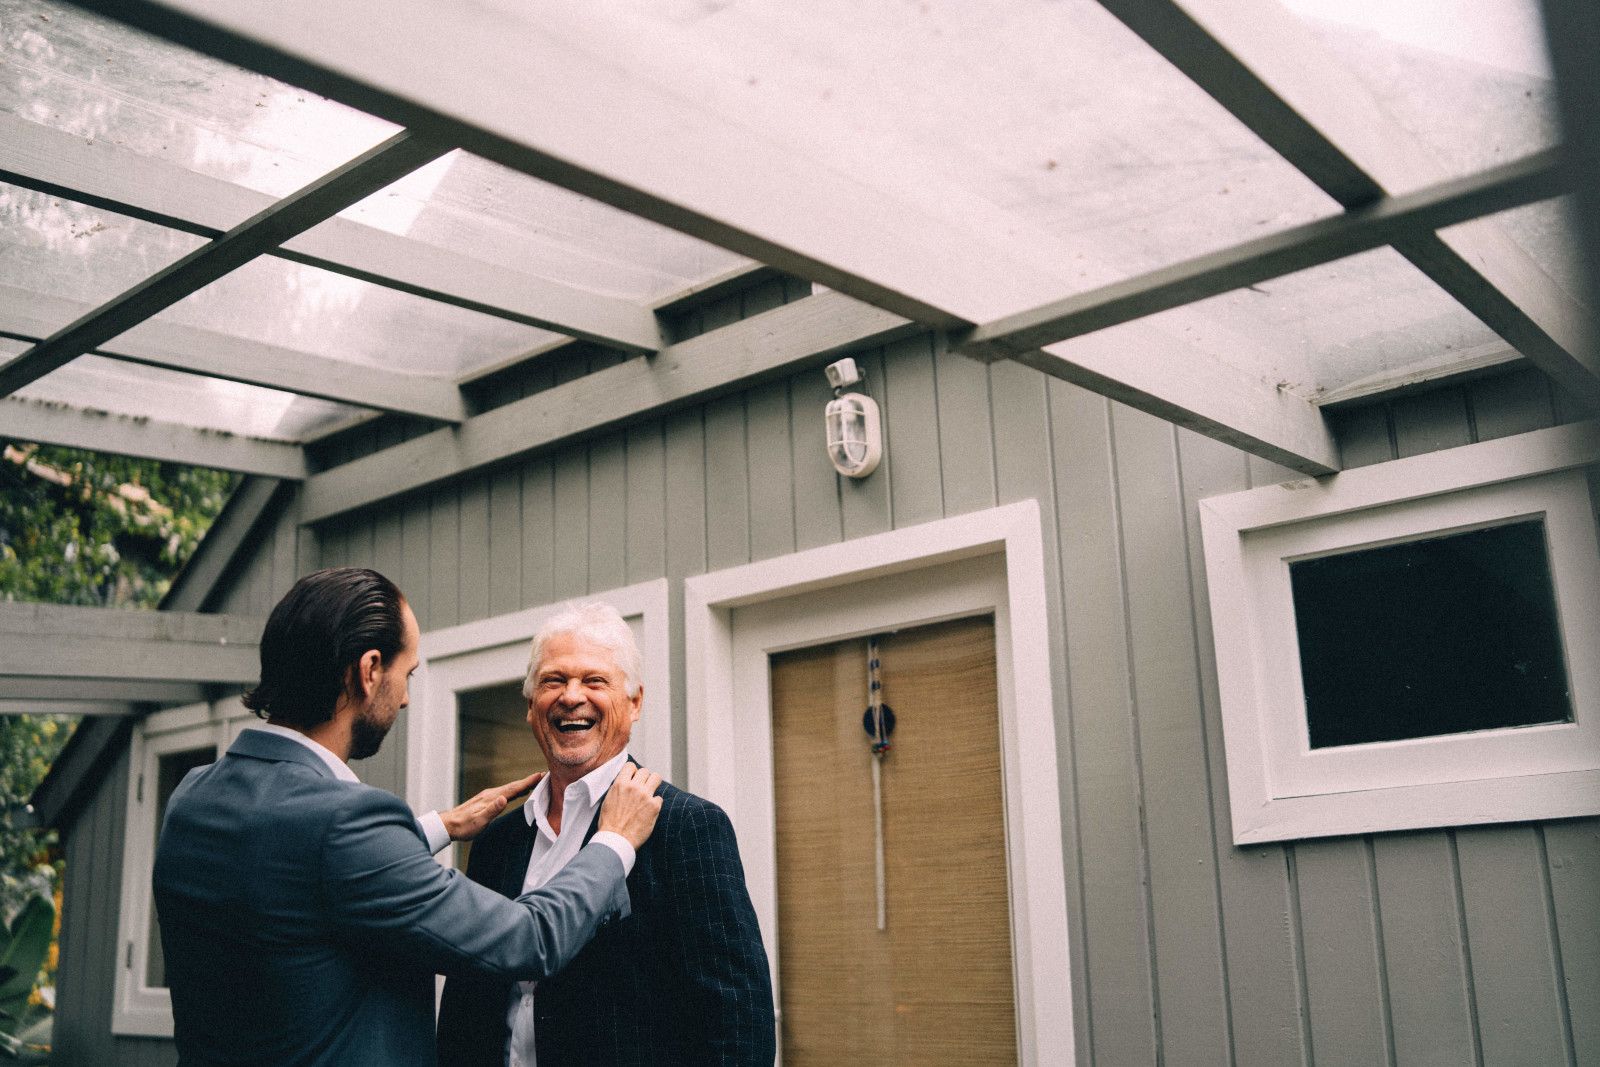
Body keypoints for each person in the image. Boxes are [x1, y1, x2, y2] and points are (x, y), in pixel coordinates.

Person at [152, 568, 664, 1067]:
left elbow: (294, 872)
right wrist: (613, 842)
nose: (405, 699)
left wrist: (436, 828)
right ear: (370, 670)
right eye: (408, 674)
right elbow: (529, 939)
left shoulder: (193, 796)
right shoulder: (345, 822)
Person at [435, 601, 776, 1066]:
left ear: (635, 703)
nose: (571, 696)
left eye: (594, 680)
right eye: (553, 680)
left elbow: (738, 1024)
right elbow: (464, 1011)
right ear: (531, 706)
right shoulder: (498, 841)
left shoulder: (686, 826)